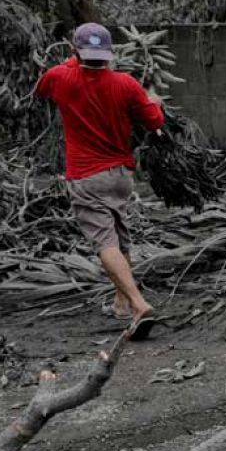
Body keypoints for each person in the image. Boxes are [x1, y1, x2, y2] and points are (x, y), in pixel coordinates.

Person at [36, 22, 166, 337]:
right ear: (109, 54)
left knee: (105, 243)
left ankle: (138, 304)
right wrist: (155, 103)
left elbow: (41, 90)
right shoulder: (126, 84)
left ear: (74, 51)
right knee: (119, 238)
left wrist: (72, 60)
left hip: (86, 176)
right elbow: (154, 122)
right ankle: (122, 304)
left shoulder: (60, 77)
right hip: (121, 176)